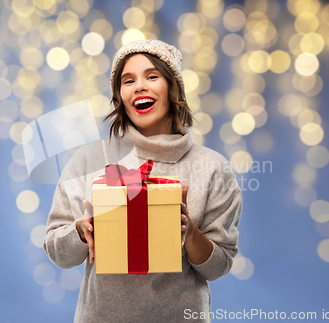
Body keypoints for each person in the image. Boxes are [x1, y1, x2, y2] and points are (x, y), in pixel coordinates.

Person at [43, 39, 243, 322]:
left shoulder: (212, 167)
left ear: (174, 87)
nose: (139, 86)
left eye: (152, 76)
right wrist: (81, 230)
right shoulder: (89, 159)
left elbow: (218, 267)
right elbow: (57, 252)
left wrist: (189, 232)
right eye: (128, 80)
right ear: (119, 95)